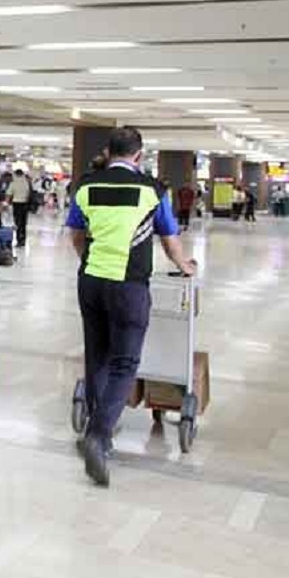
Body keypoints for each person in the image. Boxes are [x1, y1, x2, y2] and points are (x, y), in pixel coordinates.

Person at [66, 127, 196, 487]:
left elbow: (76, 237)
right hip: (129, 287)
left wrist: (91, 261)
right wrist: (185, 265)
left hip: (90, 281)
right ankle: (98, 434)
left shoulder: (87, 185)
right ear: (139, 155)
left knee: (98, 355)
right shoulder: (153, 191)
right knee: (125, 362)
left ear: (109, 152)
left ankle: (98, 429)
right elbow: (170, 242)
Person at [7, 168, 32, 247]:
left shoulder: (13, 183)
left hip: (16, 204)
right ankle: (23, 240)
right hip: (24, 204)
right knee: (23, 223)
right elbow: (28, 194)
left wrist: (6, 203)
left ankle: (18, 240)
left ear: (16, 174)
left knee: (17, 222)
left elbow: (8, 194)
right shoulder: (26, 182)